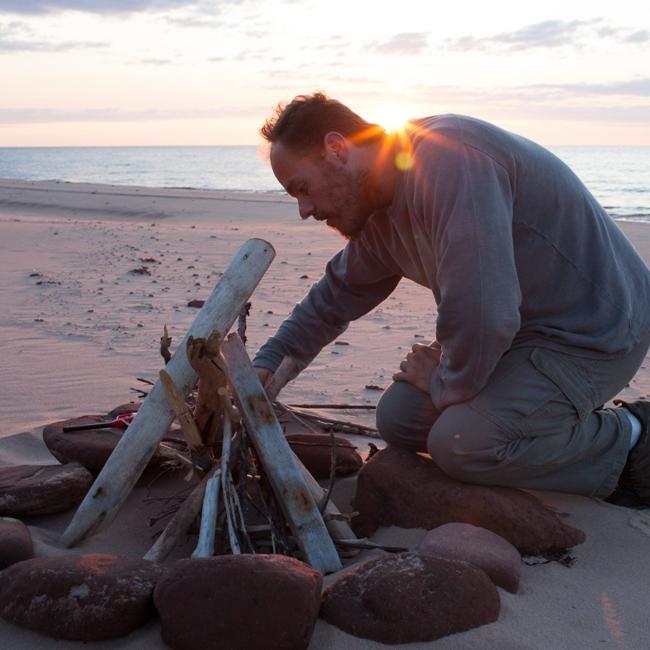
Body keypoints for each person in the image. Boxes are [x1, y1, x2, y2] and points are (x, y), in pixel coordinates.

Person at [252, 92, 650, 506]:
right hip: (516, 335)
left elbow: (485, 312)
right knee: (400, 418)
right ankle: (541, 424)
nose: (304, 209)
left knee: (463, 445)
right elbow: (334, 297)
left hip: (595, 330)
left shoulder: (450, 157)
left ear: (337, 150)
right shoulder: (376, 211)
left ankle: (635, 437)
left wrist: (445, 382)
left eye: (302, 188)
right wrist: (267, 366)